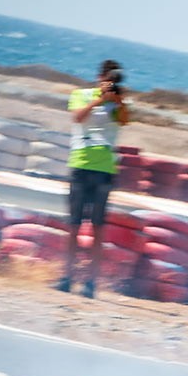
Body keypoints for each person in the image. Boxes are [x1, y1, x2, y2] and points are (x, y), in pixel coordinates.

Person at [55, 59, 129, 298]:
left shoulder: (118, 102)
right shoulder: (82, 94)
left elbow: (124, 121)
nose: (111, 82)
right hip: (80, 164)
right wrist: (99, 99)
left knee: (97, 228)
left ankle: (90, 283)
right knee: (73, 226)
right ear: (100, 77)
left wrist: (118, 101)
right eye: (108, 78)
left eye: (115, 79)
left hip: (105, 170)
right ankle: (66, 277)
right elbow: (78, 117)